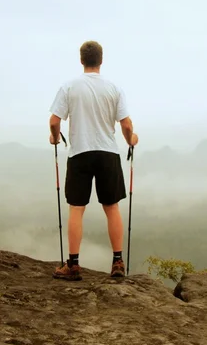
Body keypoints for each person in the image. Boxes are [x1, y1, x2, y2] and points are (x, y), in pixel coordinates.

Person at [48, 40, 139, 281]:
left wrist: (55, 138)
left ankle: (73, 265)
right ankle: (118, 261)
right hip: (108, 152)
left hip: (80, 152)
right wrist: (131, 139)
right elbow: (126, 125)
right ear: (101, 60)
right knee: (111, 207)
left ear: (81, 60)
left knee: (77, 209)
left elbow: (55, 121)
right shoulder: (114, 89)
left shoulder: (69, 87)